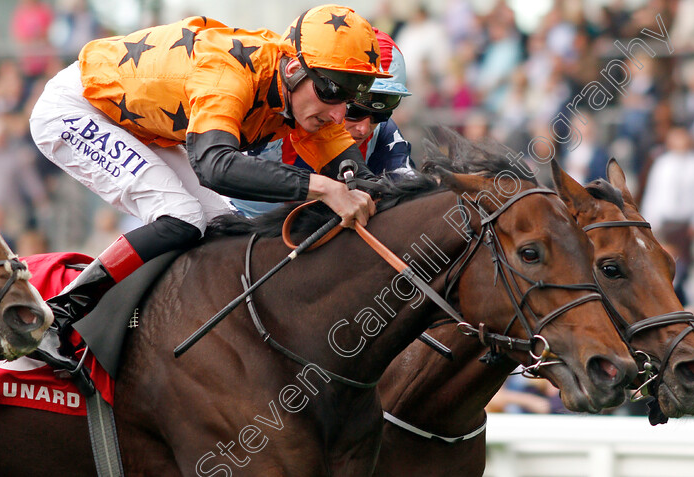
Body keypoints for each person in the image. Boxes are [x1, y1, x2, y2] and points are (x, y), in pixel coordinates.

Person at [28, 5, 389, 359]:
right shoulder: (228, 71)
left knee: (227, 227)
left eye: (352, 96)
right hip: (78, 107)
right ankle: (53, 321)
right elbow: (214, 166)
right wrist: (324, 188)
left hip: (136, 122)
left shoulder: (302, 93)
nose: (340, 113)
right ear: (294, 69)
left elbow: (362, 180)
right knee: (181, 217)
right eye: (331, 90)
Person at [231, 28, 412, 217]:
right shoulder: (269, 118)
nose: (364, 128)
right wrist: (323, 189)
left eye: (382, 112)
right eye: (354, 110)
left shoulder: (384, 133)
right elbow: (225, 182)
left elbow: (410, 204)